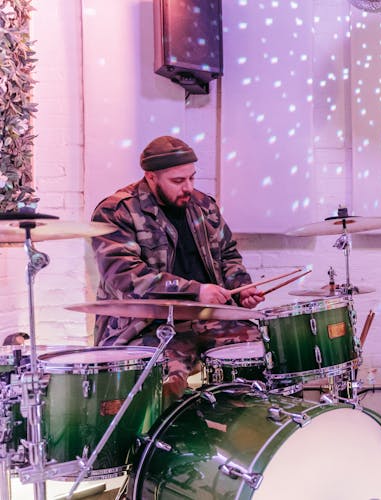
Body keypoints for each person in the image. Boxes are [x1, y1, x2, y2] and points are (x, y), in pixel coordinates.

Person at [91, 136, 265, 400]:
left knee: (261, 352)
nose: (188, 187)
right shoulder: (117, 211)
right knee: (166, 384)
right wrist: (195, 291)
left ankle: (241, 429)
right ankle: (161, 438)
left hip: (207, 320)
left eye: (192, 178)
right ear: (151, 178)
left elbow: (227, 254)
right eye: (178, 181)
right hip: (147, 327)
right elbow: (125, 277)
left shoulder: (203, 206)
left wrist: (241, 287)